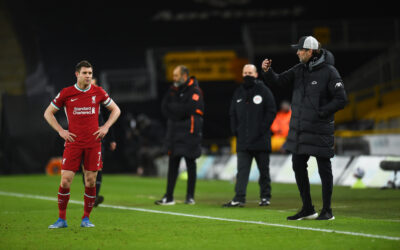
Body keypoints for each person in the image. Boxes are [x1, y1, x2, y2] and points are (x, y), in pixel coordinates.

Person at [261, 36, 347, 220]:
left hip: (320, 129)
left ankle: (327, 211)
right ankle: (308, 208)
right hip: (300, 131)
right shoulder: (300, 69)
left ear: (310, 51)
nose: (297, 52)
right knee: (297, 165)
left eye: (300, 50)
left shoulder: (330, 71)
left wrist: (321, 112)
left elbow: (341, 99)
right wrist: (268, 72)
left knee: (324, 168)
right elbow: (278, 81)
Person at [44, 60, 121, 228]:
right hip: (73, 143)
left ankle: (86, 218)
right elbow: (48, 113)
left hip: (94, 144)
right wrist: (60, 130)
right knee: (65, 180)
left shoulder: (98, 92)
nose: (88, 76)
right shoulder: (66, 93)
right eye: (85, 73)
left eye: (90, 73)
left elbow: (116, 109)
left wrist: (106, 127)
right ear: (77, 74)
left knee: (91, 181)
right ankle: (61, 219)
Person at [223, 64, 276, 207]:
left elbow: (271, 111)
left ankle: (265, 197)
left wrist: (262, 129)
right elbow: (232, 113)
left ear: (256, 74)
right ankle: (239, 198)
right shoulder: (238, 92)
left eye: (250, 73)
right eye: (245, 72)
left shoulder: (264, 91)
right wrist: (235, 130)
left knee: (264, 172)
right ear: (242, 74)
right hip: (243, 141)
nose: (247, 75)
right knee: (242, 172)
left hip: (261, 140)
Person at [155, 65, 204, 205]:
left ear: (184, 76)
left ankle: (190, 196)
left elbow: (188, 109)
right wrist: (178, 110)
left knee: (190, 164)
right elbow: (164, 107)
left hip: (190, 133)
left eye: (176, 75)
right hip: (174, 133)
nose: (174, 78)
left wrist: (175, 109)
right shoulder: (172, 90)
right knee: (172, 164)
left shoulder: (195, 90)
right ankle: (168, 196)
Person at [81, 78, 117, 207]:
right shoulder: (78, 99)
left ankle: (94, 197)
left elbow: (109, 119)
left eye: (95, 84)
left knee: (98, 167)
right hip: (83, 138)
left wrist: (111, 138)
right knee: (86, 168)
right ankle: (90, 195)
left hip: (98, 138)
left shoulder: (100, 99)